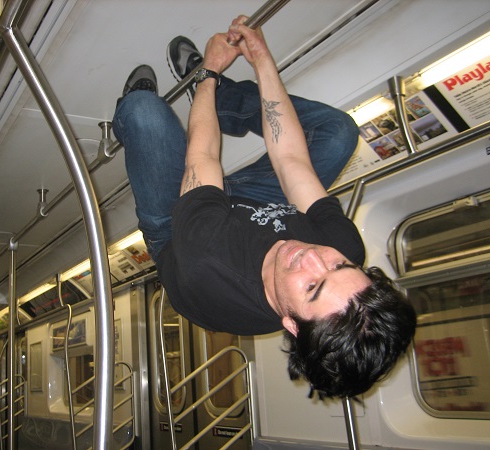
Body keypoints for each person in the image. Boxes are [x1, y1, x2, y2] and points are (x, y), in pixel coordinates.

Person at [112, 16, 416, 399]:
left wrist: (208, 72)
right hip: (255, 204)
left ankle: (149, 109)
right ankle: (228, 101)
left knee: (145, 112)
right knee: (338, 134)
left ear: (290, 325)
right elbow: (291, 160)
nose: (313, 257)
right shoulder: (344, 252)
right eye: (340, 266)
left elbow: (203, 158)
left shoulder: (211, 264)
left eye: (311, 285)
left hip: (180, 230)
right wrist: (261, 59)